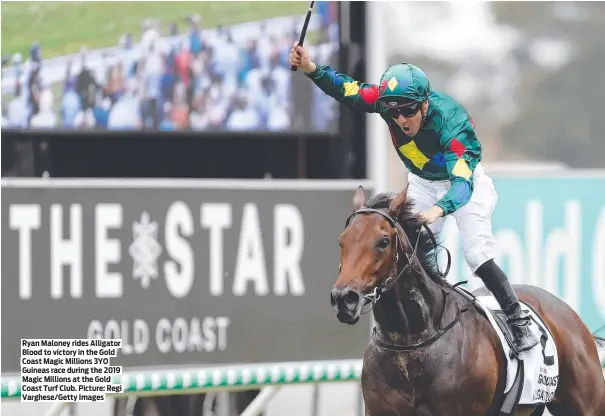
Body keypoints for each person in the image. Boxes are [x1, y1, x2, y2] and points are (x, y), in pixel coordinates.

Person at [289, 42, 539, 353]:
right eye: (393, 112)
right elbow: (349, 91)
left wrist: (439, 210)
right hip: (422, 180)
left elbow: (461, 185)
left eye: (408, 110)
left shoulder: (453, 123)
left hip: (464, 183)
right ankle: (422, 317)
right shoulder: (388, 104)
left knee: (475, 253)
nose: (401, 119)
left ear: (424, 104)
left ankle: (518, 321)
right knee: (407, 245)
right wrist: (311, 68)